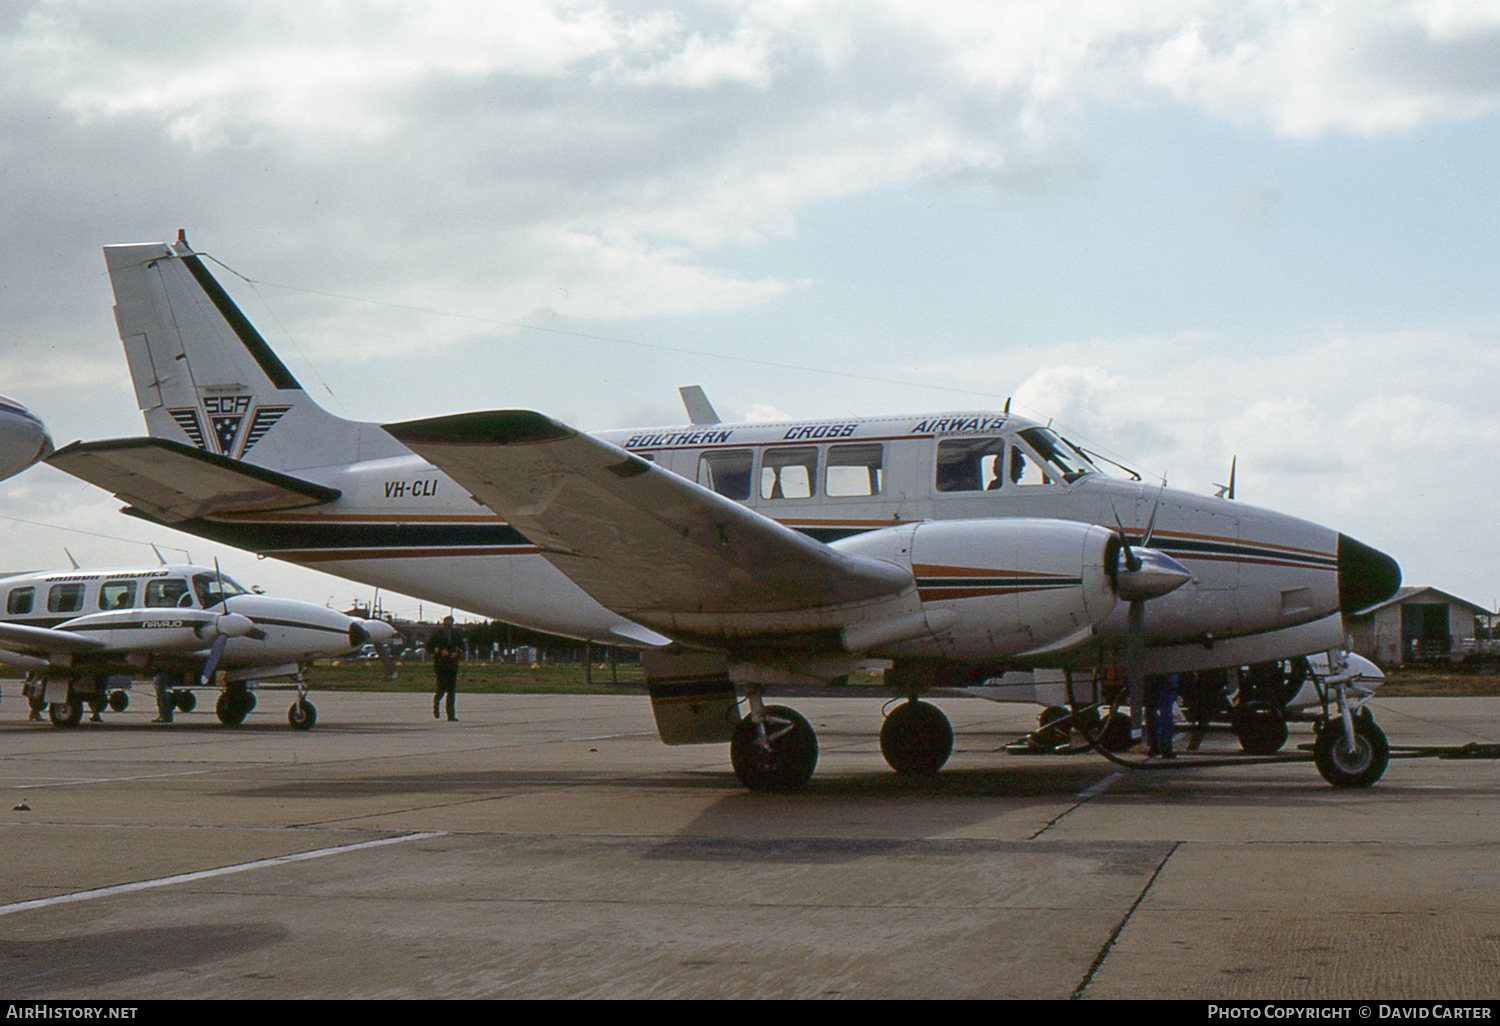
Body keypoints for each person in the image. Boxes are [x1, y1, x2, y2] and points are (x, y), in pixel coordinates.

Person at [429, 616, 461, 721]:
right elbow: (429, 647)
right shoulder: (437, 635)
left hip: (452, 665)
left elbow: (462, 648)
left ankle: (451, 715)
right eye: (446, 625)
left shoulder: (456, 635)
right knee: (442, 688)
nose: (448, 627)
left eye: (450, 626)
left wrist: (456, 653)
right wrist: (438, 651)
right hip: (441, 665)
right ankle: (436, 704)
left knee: (451, 691)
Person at [1144, 672, 1180, 758]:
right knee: (1166, 709)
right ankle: (1166, 747)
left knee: (1151, 708)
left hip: (1150, 673)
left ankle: (1154, 745)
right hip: (1168, 673)